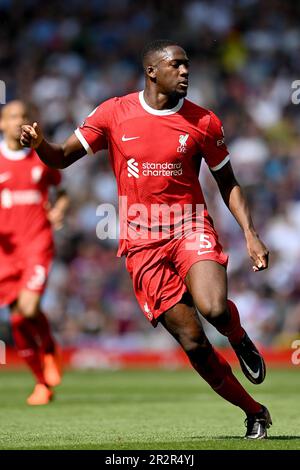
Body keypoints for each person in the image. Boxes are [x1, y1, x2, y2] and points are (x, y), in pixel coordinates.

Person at [20, 40, 272, 438]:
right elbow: (62, 157)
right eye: (177, 65)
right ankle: (254, 411)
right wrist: (39, 146)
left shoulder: (204, 122)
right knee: (193, 344)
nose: (186, 71)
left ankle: (238, 336)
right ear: (152, 71)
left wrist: (251, 235)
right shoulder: (113, 113)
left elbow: (228, 182)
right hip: (142, 243)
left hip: (190, 226)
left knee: (215, 309)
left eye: (188, 65)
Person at [0, 100, 69, 405]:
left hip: (37, 244)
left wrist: (58, 210)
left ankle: (50, 345)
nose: (19, 121)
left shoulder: (41, 157)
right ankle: (42, 383)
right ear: (2, 124)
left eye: (25, 116)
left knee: (27, 309)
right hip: (5, 251)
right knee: (16, 320)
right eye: (12, 116)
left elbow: (61, 190)